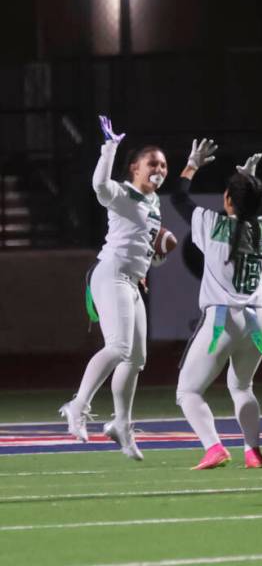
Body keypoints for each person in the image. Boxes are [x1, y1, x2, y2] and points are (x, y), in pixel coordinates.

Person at [60, 115, 169, 461]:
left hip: (132, 279)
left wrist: (157, 259)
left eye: (164, 164)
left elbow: (145, 247)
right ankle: (77, 405)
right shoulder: (123, 192)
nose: (160, 168)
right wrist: (110, 148)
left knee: (136, 358)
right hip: (110, 274)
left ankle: (121, 423)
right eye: (153, 163)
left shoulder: (153, 202)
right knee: (119, 346)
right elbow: (99, 186)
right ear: (135, 168)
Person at [170, 139, 262, 470]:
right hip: (259, 320)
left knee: (187, 391)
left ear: (228, 199)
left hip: (223, 319)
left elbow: (178, 198)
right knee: (242, 386)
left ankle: (214, 447)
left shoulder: (212, 223)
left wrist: (192, 166)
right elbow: (256, 211)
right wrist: (250, 184)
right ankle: (253, 451)